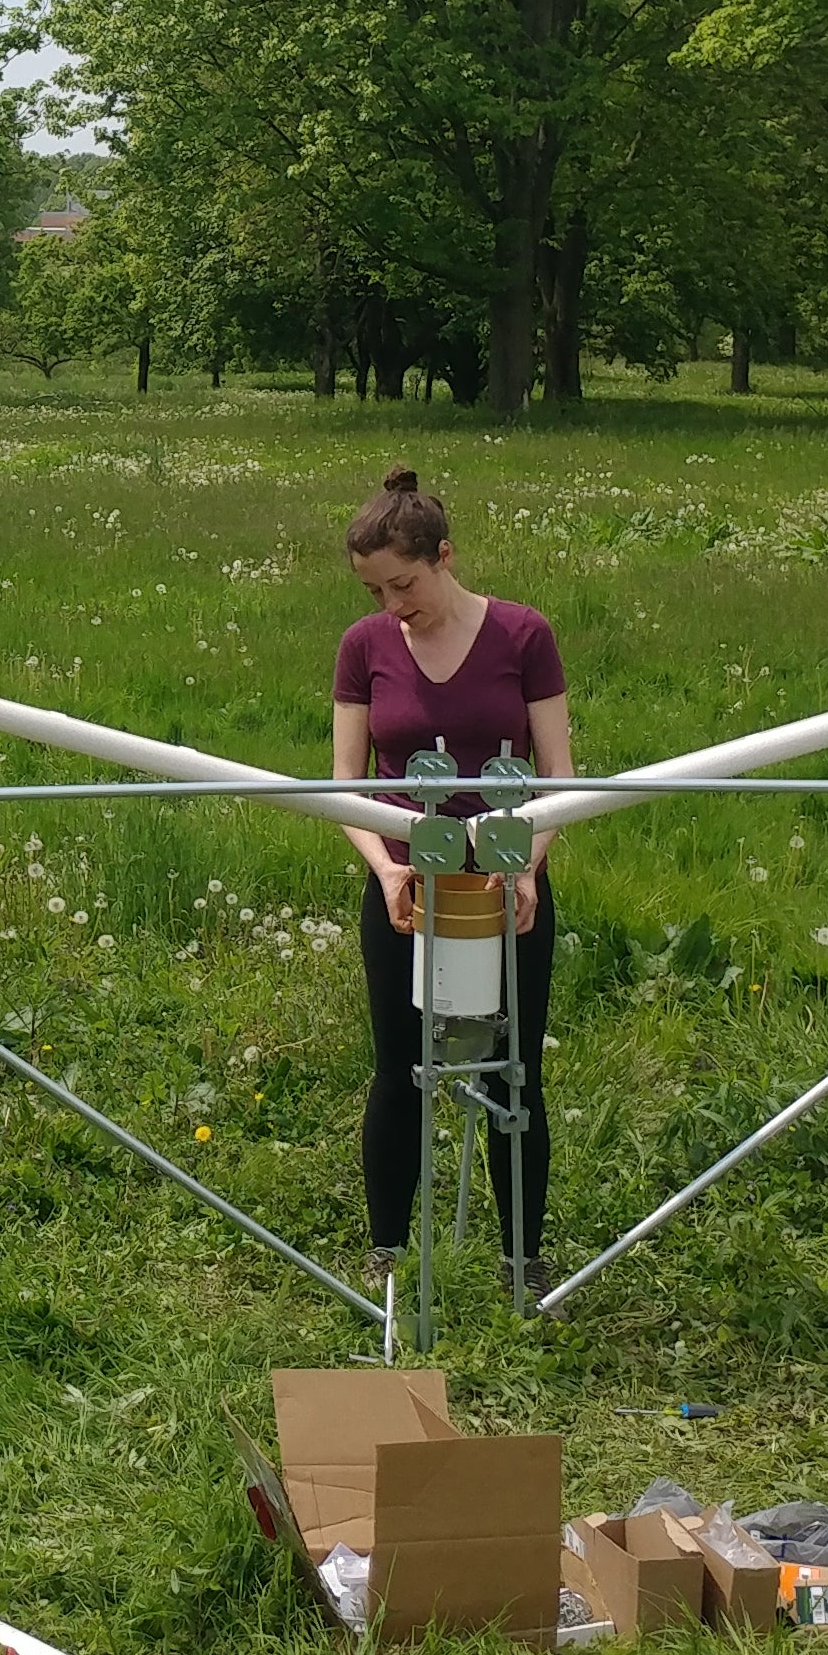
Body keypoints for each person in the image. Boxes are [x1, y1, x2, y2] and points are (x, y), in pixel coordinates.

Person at [330, 467, 573, 1281]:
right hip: (405, 884)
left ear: (444, 556)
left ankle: (522, 1260)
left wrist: (527, 868)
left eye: (403, 584)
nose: (391, 605)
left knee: (516, 1071)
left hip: (506, 880)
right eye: (375, 590)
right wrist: (388, 869)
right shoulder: (364, 647)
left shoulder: (524, 636)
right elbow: (342, 787)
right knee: (399, 1068)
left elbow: (559, 780)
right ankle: (388, 1253)